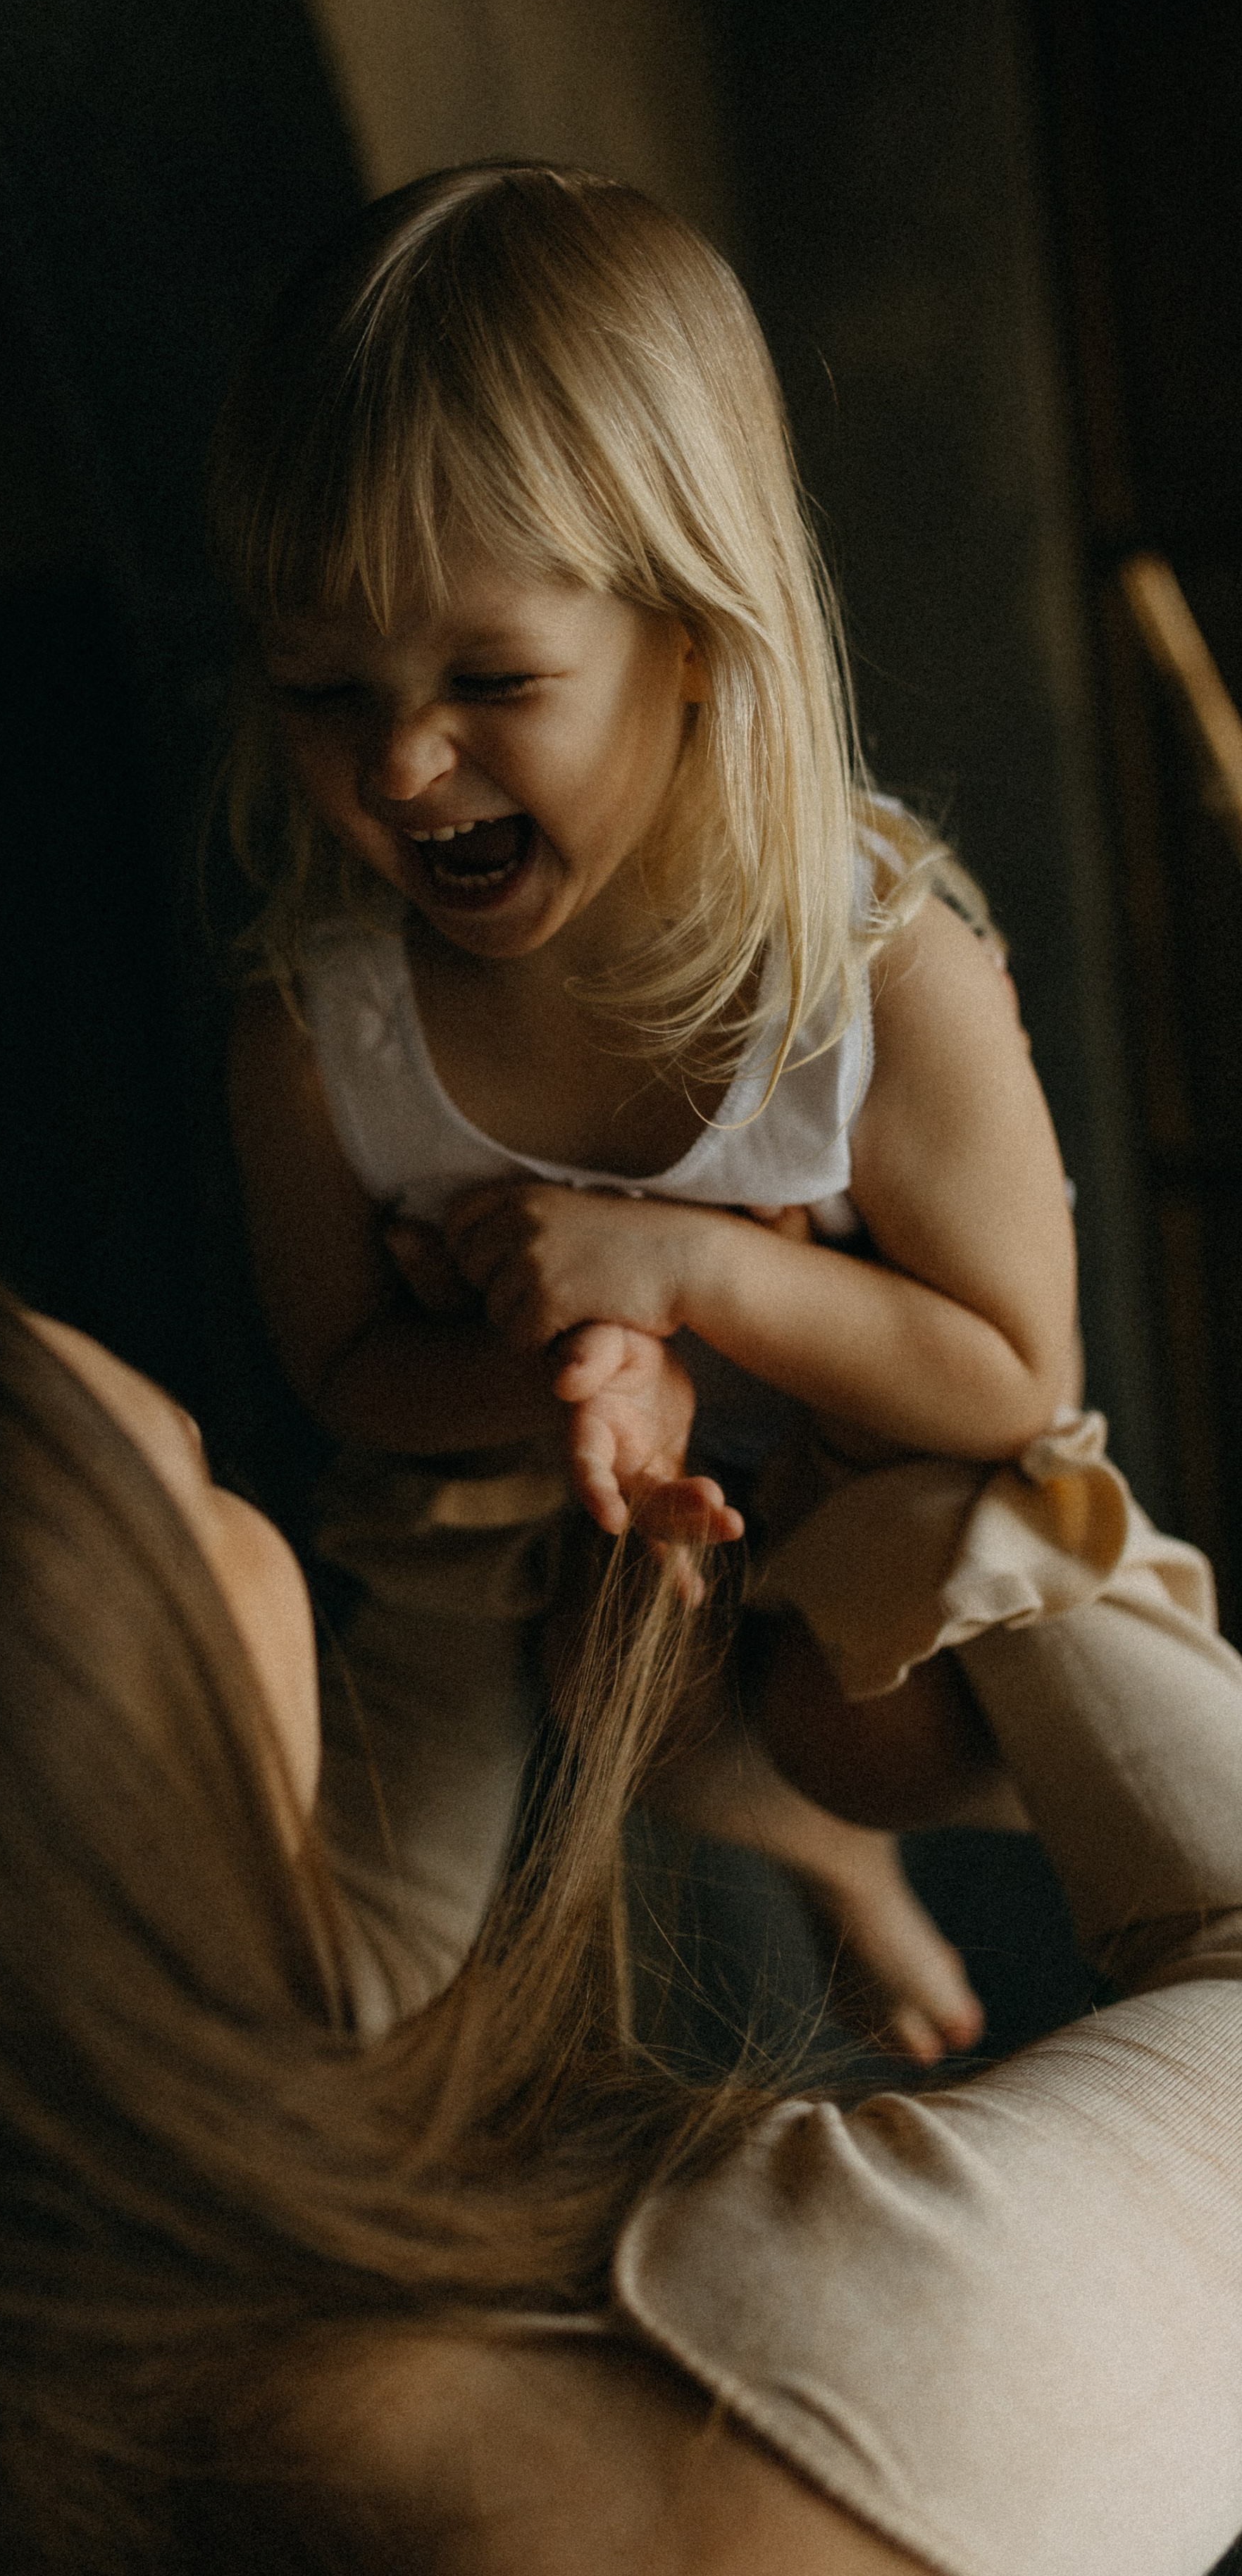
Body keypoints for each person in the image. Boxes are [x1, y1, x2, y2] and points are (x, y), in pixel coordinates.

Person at [0, 1202, 1240, 2575]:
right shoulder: (799, 2388)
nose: (265, 1519)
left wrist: (513, 1443)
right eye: (198, 1478)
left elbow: (333, 1969)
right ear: (116, 1779)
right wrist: (964, 1471)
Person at [213, 161, 1079, 2057]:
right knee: (355, 1972)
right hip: (504, 1478)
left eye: (492, 679)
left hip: (851, 1466)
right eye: (320, 689)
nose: (400, 761)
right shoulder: (315, 1034)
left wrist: (679, 1275)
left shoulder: (878, 979)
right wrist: (574, 1376)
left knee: (902, 1715)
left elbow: (1010, 1376)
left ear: (693, 638)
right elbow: (346, 1365)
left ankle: (848, 1857)